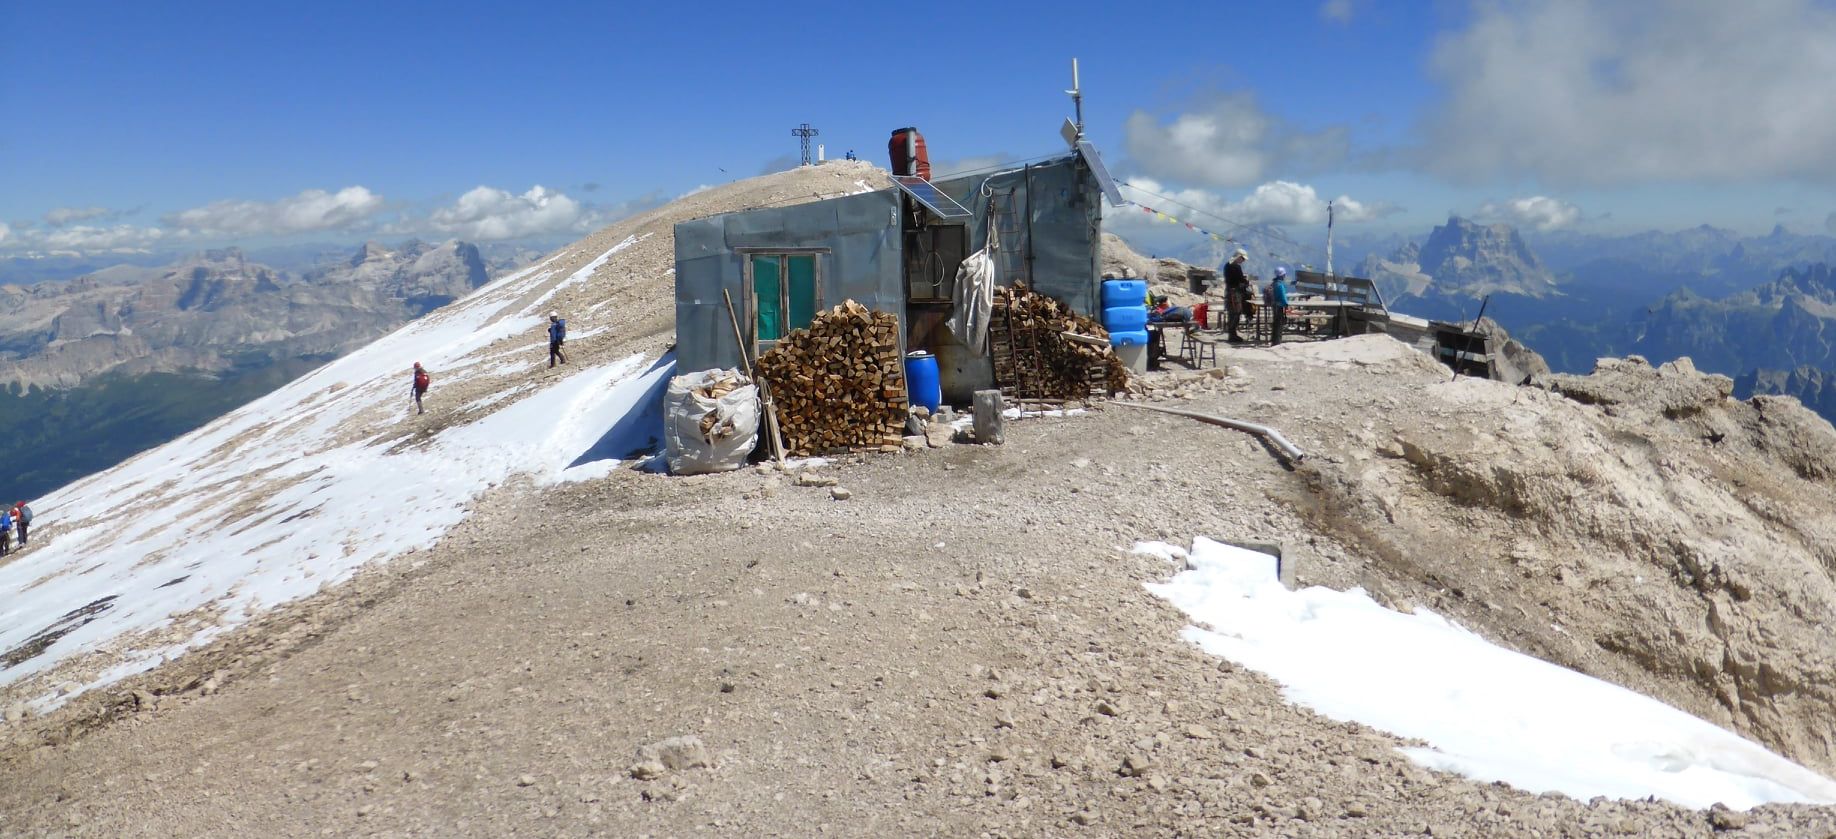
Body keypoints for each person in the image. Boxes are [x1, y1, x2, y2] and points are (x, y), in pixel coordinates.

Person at [1223, 248, 1250, 343]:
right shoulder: (1236, 266)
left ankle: (1232, 333)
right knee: (1236, 312)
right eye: (1242, 258)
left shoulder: (1227, 265)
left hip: (1228, 291)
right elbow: (1241, 280)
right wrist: (1246, 281)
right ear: (1239, 257)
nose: (1243, 261)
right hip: (1235, 293)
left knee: (1232, 313)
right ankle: (1233, 335)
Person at [1267, 267, 1292, 345]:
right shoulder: (1280, 284)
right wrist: (1286, 304)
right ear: (1282, 275)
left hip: (1274, 305)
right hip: (1280, 305)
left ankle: (1274, 340)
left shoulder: (1274, 283)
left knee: (1276, 323)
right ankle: (1277, 340)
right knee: (1279, 324)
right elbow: (1283, 296)